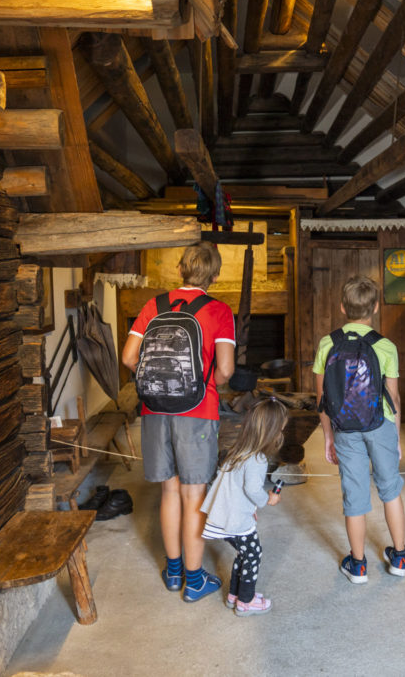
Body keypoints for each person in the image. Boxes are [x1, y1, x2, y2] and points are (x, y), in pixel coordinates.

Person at [121, 241, 235, 602]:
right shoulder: (219, 311)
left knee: (169, 491)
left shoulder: (153, 306)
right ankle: (194, 579)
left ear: (181, 269)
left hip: (155, 410)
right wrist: (205, 381)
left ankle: (173, 572)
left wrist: (159, 384)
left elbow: (128, 358)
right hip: (197, 411)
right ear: (215, 275)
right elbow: (227, 369)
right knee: (193, 494)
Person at [314, 275, 405, 582]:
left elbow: (322, 398)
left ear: (343, 307)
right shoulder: (386, 347)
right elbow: (393, 397)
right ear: (376, 307)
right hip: (380, 424)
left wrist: (329, 436)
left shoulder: (327, 343)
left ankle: (358, 565)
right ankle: (399, 556)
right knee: (390, 489)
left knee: (354, 494)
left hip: (344, 427)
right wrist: (396, 438)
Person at [200, 398, 287, 616]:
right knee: (254, 555)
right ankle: (246, 602)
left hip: (228, 514)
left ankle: (234, 595)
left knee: (244, 554)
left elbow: (236, 489)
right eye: (280, 430)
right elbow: (252, 489)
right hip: (235, 520)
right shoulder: (257, 459)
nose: (280, 435)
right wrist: (268, 499)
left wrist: (251, 509)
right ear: (271, 432)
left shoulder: (240, 450)